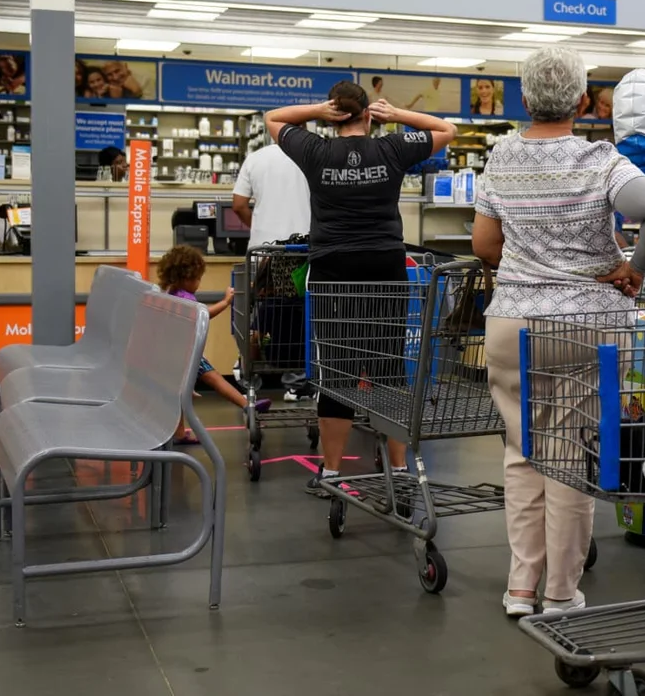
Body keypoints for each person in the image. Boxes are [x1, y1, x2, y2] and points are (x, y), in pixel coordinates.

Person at [471, 46, 645, 617]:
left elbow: (484, 244)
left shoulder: (501, 156)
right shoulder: (600, 159)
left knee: (522, 453)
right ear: (584, 102)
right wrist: (634, 267)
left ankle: (520, 588)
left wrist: (530, 263)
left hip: (513, 323)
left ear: (523, 99)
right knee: (568, 455)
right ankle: (561, 593)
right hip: (587, 326)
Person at [265, 82, 457, 490]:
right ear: (369, 114)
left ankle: (332, 471)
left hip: (333, 270)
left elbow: (273, 118)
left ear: (333, 117)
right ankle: (399, 469)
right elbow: (447, 130)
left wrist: (317, 110)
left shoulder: (315, 151)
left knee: (338, 369)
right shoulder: (391, 149)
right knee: (388, 365)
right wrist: (397, 115)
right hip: (384, 266)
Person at [157, 245, 272, 445]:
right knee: (215, 379)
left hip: (176, 351)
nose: (198, 283)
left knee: (181, 394)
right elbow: (203, 315)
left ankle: (179, 433)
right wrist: (225, 302)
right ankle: (246, 405)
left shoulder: (170, 293)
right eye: (197, 279)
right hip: (186, 353)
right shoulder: (184, 297)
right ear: (185, 277)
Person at [231, 143, 310, 247]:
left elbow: (239, 205)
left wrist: (257, 226)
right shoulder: (315, 157)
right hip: (304, 243)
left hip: (263, 245)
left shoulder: (255, 158)